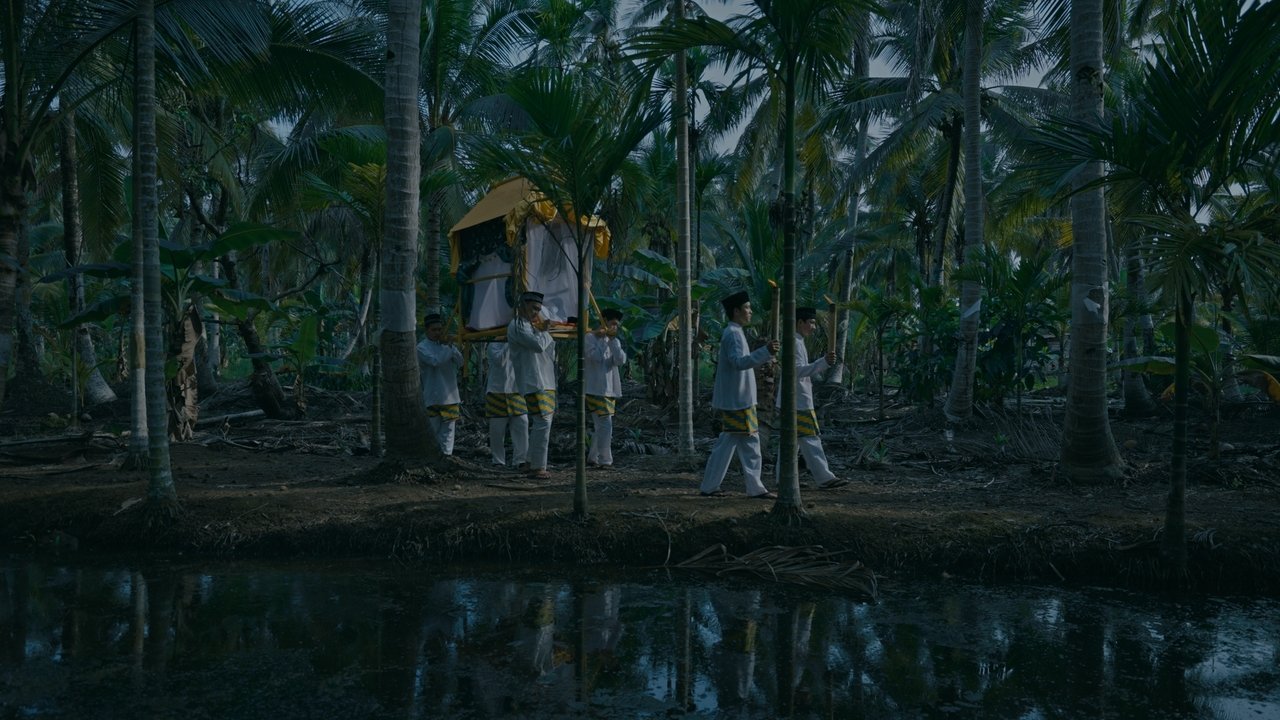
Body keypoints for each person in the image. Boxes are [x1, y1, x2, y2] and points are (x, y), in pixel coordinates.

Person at [701, 290, 779, 499]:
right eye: (747, 308)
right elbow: (739, 362)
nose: (750, 311)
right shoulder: (733, 334)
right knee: (736, 442)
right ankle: (718, 486)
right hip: (738, 399)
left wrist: (765, 352)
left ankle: (747, 487)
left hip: (740, 398)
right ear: (736, 311)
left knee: (742, 441)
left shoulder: (735, 332)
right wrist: (765, 351)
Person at [776, 307, 847, 489]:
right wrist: (822, 362)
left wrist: (822, 363)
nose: (814, 327)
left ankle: (783, 478)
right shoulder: (794, 342)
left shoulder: (797, 342)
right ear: (800, 322)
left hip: (796, 399)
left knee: (793, 442)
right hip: (797, 401)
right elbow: (797, 370)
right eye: (811, 323)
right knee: (810, 437)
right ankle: (824, 477)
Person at [507, 290, 556, 479]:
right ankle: (538, 466)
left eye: (538, 309)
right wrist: (545, 331)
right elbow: (537, 345)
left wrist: (542, 331)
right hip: (534, 381)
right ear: (522, 306)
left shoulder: (531, 326)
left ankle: (529, 461)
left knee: (541, 421)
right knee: (543, 421)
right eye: (533, 308)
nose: (536, 312)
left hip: (544, 380)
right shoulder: (518, 325)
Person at [585, 308, 627, 469]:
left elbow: (620, 360)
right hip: (595, 388)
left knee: (601, 425)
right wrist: (602, 339)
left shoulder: (614, 341)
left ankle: (593, 457)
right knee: (605, 424)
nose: (614, 328)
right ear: (604, 322)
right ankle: (605, 460)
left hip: (610, 388)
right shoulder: (590, 337)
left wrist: (612, 341)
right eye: (612, 324)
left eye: (617, 325)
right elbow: (595, 357)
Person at [417, 313, 463, 455]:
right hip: (432, 396)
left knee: (448, 432)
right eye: (434, 330)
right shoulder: (421, 347)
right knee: (433, 430)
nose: (438, 333)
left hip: (450, 395)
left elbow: (461, 362)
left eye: (440, 330)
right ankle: (433, 458)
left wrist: (452, 348)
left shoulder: (446, 346)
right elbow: (435, 361)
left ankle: (446, 457)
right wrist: (448, 347)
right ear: (427, 331)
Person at [485, 340, 529, 468]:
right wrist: (509, 343)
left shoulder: (520, 345)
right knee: (497, 431)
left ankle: (521, 460)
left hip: (517, 390)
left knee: (522, 425)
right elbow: (500, 361)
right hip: (496, 391)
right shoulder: (493, 345)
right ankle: (498, 461)